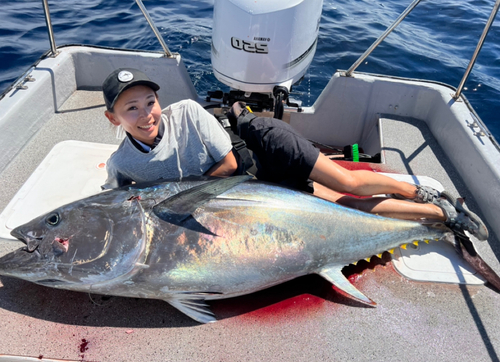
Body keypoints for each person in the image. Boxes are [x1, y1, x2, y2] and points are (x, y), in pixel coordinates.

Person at [101, 67, 488, 241]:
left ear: (159, 100)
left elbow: (231, 164)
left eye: (149, 101)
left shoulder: (186, 110)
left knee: (347, 181)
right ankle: (444, 213)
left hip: (262, 150)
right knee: (343, 207)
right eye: (130, 108)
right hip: (251, 189)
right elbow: (111, 200)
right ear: (112, 117)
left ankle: (416, 191)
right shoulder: (123, 163)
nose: (145, 114)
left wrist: (173, 199)